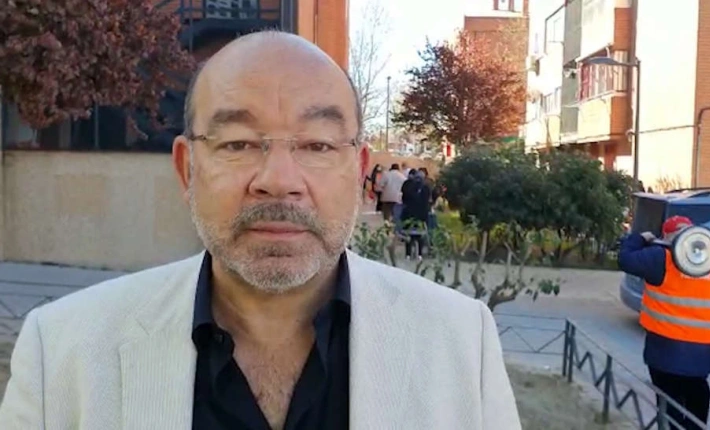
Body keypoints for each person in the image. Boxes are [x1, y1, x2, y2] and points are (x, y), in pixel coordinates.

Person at [0, 32, 520, 430]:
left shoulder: (459, 343)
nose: (278, 180)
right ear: (187, 169)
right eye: (238, 143)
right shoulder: (63, 352)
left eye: (317, 145)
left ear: (359, 170)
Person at [618, 216, 710, 429]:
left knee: (670, 407)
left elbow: (625, 259)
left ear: (666, 237)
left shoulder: (660, 258)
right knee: (698, 399)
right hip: (702, 357)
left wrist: (640, 238)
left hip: (663, 354)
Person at [400, 170, 431, 260]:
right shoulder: (426, 188)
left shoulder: (409, 187)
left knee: (408, 234)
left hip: (409, 214)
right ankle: (420, 254)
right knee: (420, 235)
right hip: (422, 215)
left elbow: (404, 199)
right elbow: (427, 201)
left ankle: (408, 254)